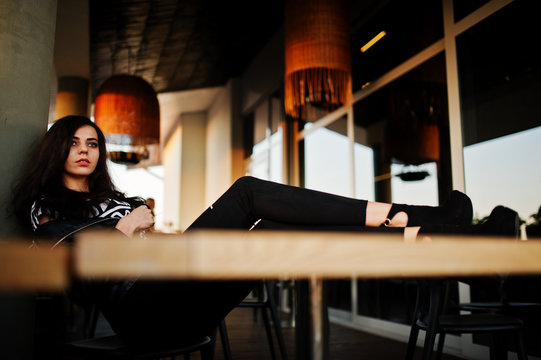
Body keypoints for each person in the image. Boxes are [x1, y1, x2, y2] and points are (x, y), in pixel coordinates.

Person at [11, 115, 492, 348]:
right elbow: (76, 269)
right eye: (73, 143)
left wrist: (135, 220)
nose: (85, 151)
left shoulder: (114, 199)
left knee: (271, 228)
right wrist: (125, 230)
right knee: (247, 192)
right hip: (145, 312)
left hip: (182, 298)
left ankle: (421, 236)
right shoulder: (45, 208)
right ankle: (412, 217)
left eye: (93, 143)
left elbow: (143, 225)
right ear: (56, 151)